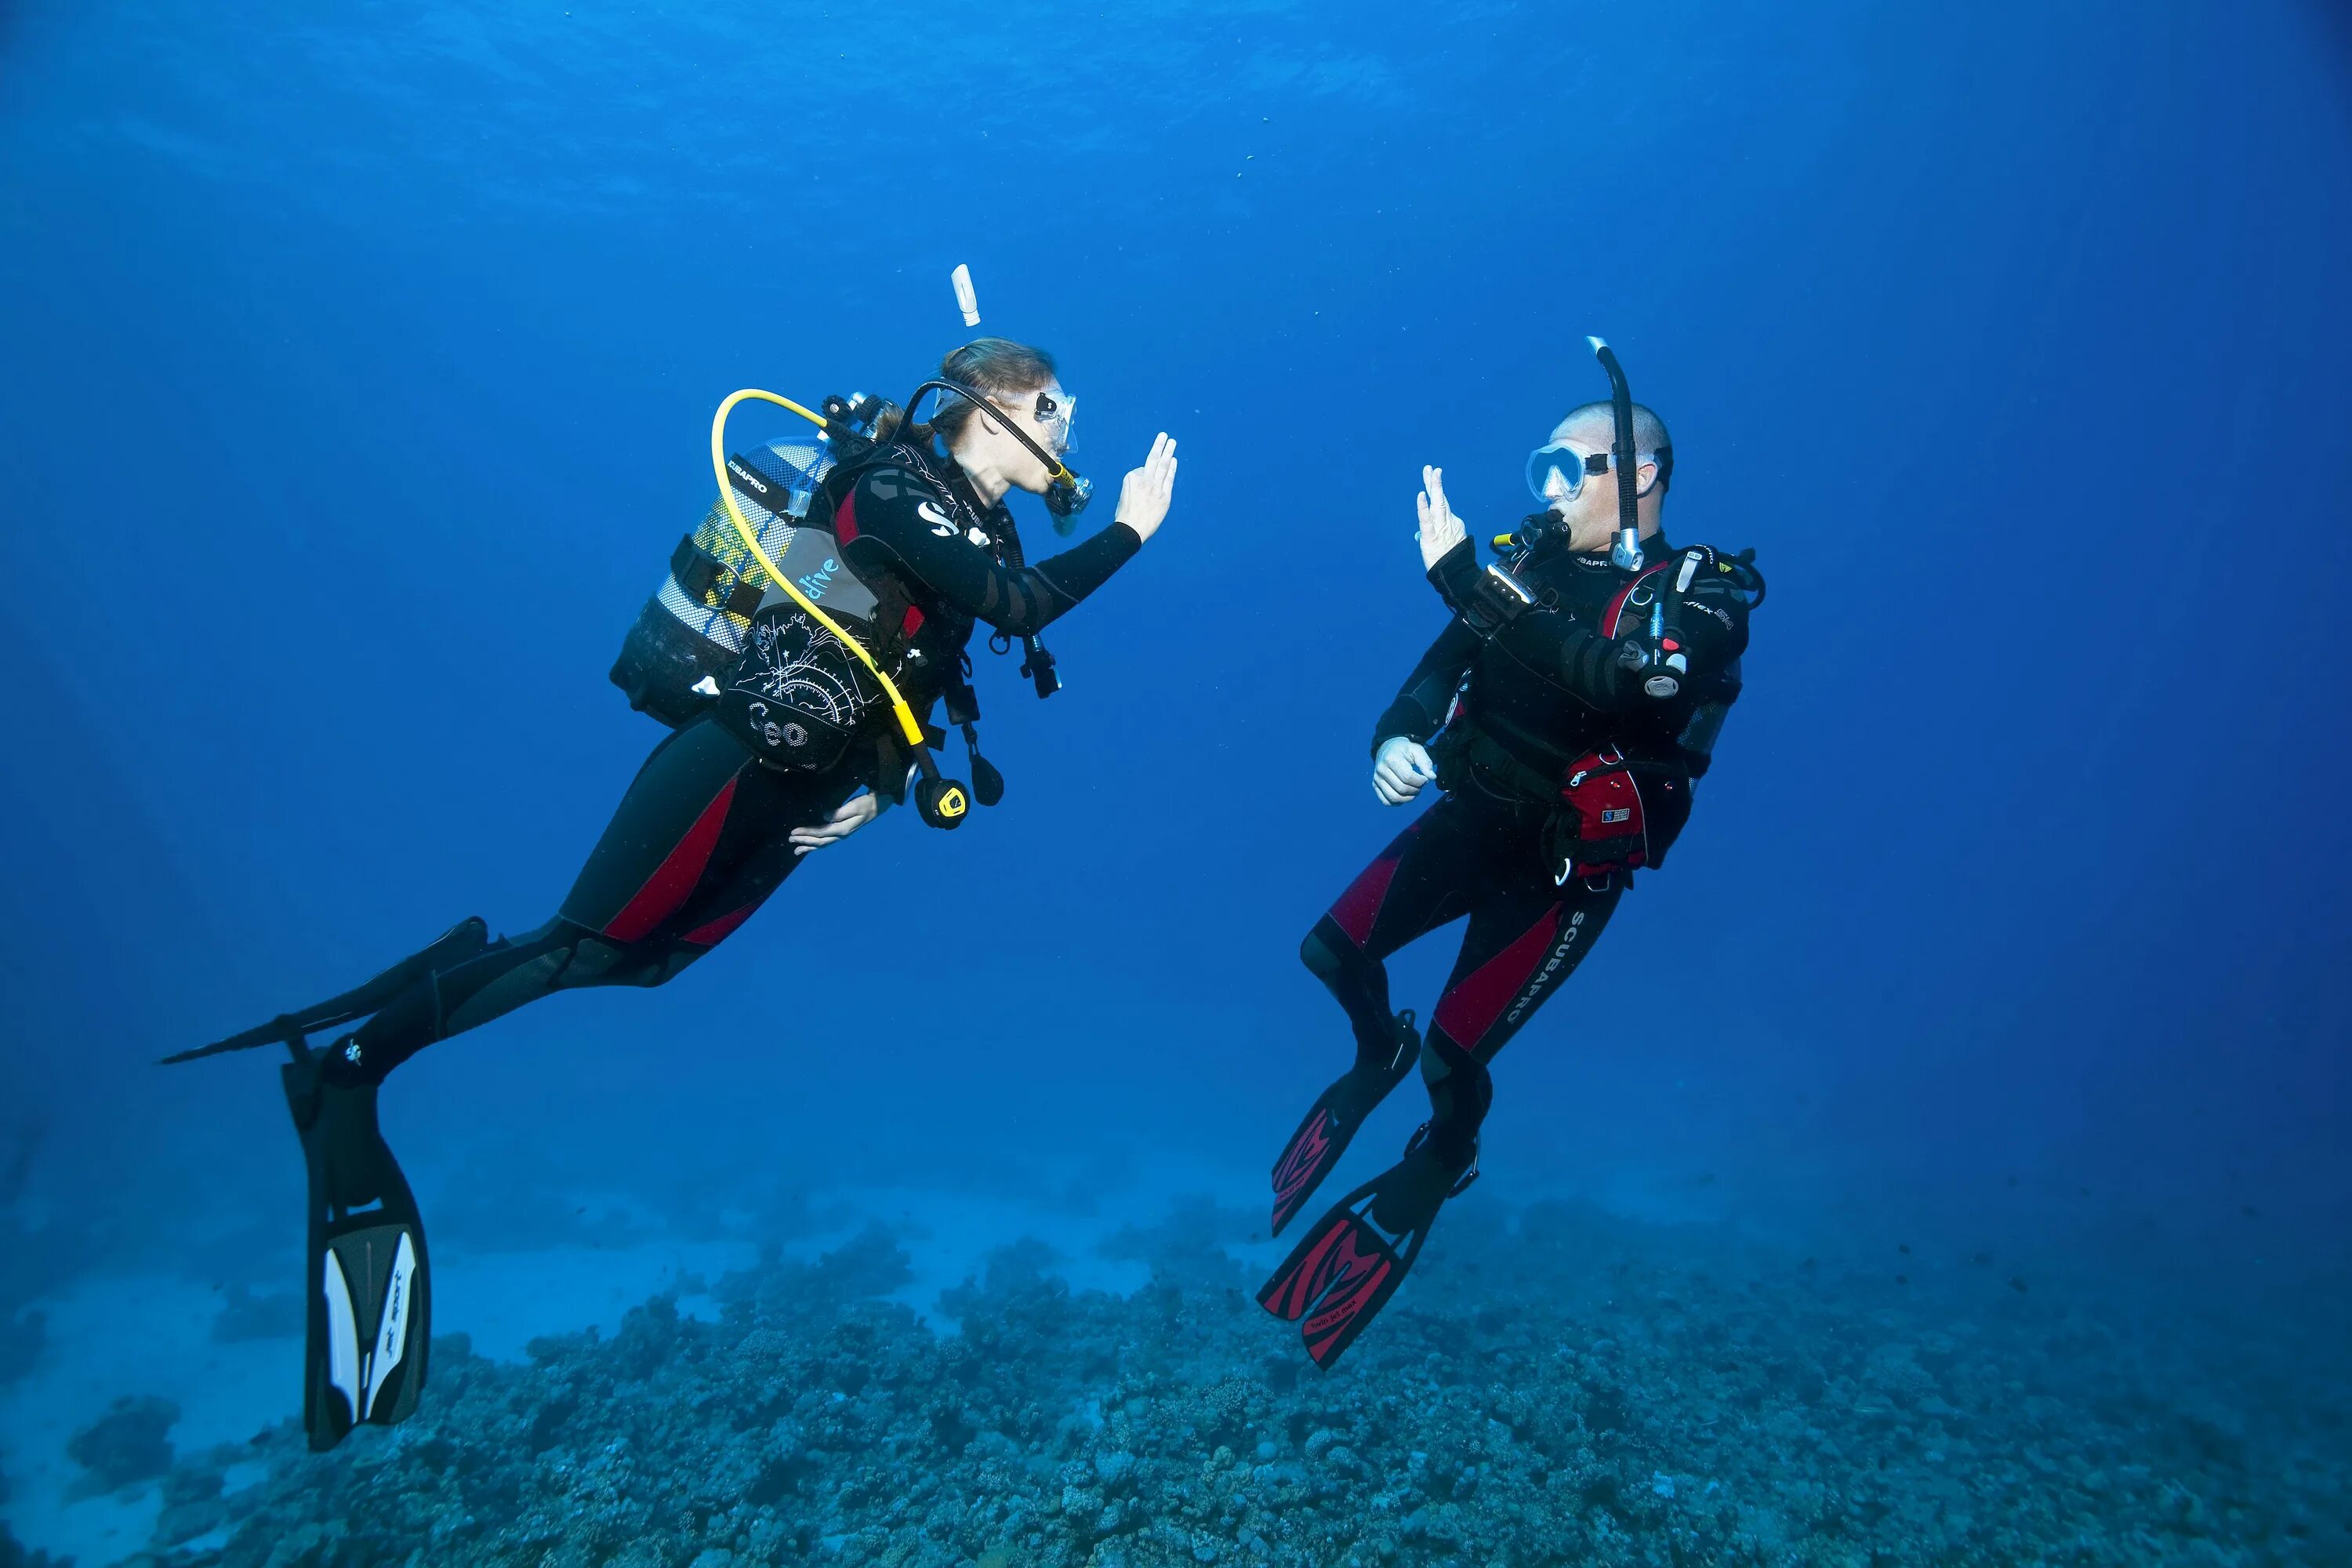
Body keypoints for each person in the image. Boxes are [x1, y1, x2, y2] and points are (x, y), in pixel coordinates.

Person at [169, 338, 1179, 1448]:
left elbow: (919, 662)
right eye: (1054, 405)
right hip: (732, 757)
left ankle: (455, 961)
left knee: (642, 962)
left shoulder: (984, 520)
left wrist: (885, 788)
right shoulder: (891, 488)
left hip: (801, 785)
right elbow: (1019, 607)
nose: (1070, 427)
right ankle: (348, 1076)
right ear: (990, 409)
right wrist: (1131, 529)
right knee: (574, 945)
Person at [1258, 353, 1761, 1368]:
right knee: (1330, 954)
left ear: (1642, 474)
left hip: (1562, 870)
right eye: (1542, 468)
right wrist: (1394, 739)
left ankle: (1448, 1151)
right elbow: (1440, 669)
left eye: (1569, 469)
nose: (1547, 492)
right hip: (1469, 816)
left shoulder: (1698, 593)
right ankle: (1372, 1054)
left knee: (1456, 1058)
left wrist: (1463, 582)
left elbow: (1630, 686)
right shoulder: (1520, 573)